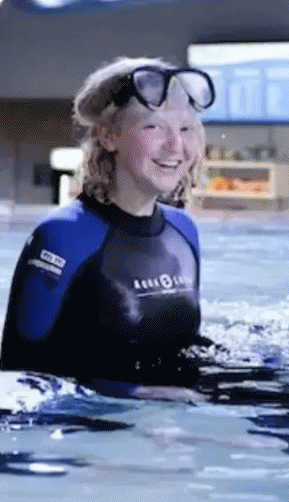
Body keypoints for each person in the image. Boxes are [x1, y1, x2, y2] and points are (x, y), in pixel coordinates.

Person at [0, 57, 217, 401]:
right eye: (154, 127)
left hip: (173, 412)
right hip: (100, 423)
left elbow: (185, 352)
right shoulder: (63, 237)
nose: (176, 146)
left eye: (186, 129)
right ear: (109, 136)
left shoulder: (184, 231)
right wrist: (137, 394)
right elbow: (19, 372)